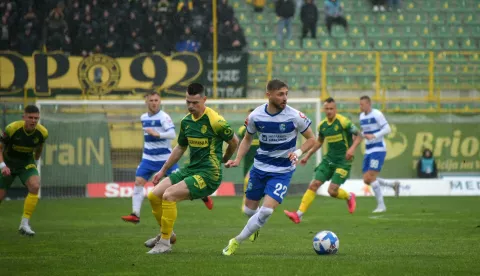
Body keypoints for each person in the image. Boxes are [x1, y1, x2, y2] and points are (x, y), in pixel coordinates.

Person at [222, 79, 316, 256]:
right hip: (260, 168)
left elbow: (312, 139)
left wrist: (297, 152)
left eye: (286, 94)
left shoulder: (295, 116)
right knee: (249, 210)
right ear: (269, 95)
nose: (285, 98)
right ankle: (254, 225)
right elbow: (248, 138)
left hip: (282, 171)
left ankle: (235, 241)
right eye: (280, 94)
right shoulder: (256, 116)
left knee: (265, 211)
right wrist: (238, 159)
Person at [144, 83, 239, 254]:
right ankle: (168, 234)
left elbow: (234, 141)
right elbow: (180, 148)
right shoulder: (187, 121)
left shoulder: (216, 121)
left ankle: (164, 243)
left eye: (195, 102)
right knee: (153, 195)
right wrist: (163, 170)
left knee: (169, 195)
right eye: (188, 102)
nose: (191, 106)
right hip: (191, 169)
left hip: (209, 174)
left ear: (204, 100)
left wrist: (225, 158)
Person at [121, 92, 213, 224]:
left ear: (160, 102)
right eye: (151, 100)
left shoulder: (164, 117)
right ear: (146, 101)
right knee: (138, 183)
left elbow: (171, 134)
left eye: (156, 100)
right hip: (148, 158)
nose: (154, 102)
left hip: (165, 159)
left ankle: (203, 195)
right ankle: (135, 214)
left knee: (184, 182)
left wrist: (157, 134)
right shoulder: (143, 118)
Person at [284, 97, 361, 224]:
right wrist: (307, 156)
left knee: (332, 191)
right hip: (329, 160)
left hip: (343, 161)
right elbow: (319, 142)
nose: (329, 111)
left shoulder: (343, 122)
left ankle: (349, 196)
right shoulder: (323, 126)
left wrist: (352, 149)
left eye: (331, 109)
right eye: (327, 109)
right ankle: (298, 214)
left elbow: (359, 135)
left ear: (335, 109)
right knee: (314, 184)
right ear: (324, 109)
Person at [0, 105, 48, 236]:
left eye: (36, 118)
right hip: (8, 164)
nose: (33, 121)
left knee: (35, 185)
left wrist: (36, 163)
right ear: (24, 117)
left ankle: (24, 224)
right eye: (30, 117)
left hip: (26, 164)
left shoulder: (42, 133)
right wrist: (3, 165)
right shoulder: (12, 129)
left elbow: (39, 148)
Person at [358, 96, 400, 213]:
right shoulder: (361, 116)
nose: (360, 107)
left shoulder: (377, 114)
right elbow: (365, 131)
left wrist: (375, 136)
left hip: (378, 149)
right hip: (368, 150)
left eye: (362, 104)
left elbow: (387, 129)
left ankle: (381, 206)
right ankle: (392, 185)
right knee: (367, 179)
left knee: (370, 176)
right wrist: (360, 135)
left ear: (368, 104)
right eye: (359, 104)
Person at [237, 108, 259, 210]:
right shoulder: (243, 130)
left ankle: (246, 205)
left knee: (248, 179)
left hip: (260, 160)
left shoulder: (262, 128)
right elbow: (238, 143)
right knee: (249, 183)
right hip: (247, 161)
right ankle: (250, 204)